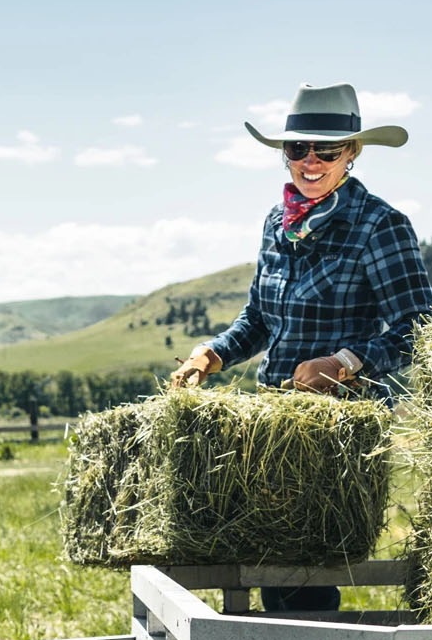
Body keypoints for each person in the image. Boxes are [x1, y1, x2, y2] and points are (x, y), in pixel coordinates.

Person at [170, 82, 432, 612]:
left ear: (352, 153)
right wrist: (212, 353)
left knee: (303, 573)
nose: (310, 161)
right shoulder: (277, 223)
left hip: (335, 430)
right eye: (297, 148)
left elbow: (418, 326)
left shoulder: (380, 226)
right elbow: (260, 319)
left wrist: (345, 363)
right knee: (268, 565)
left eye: (326, 150)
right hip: (272, 423)